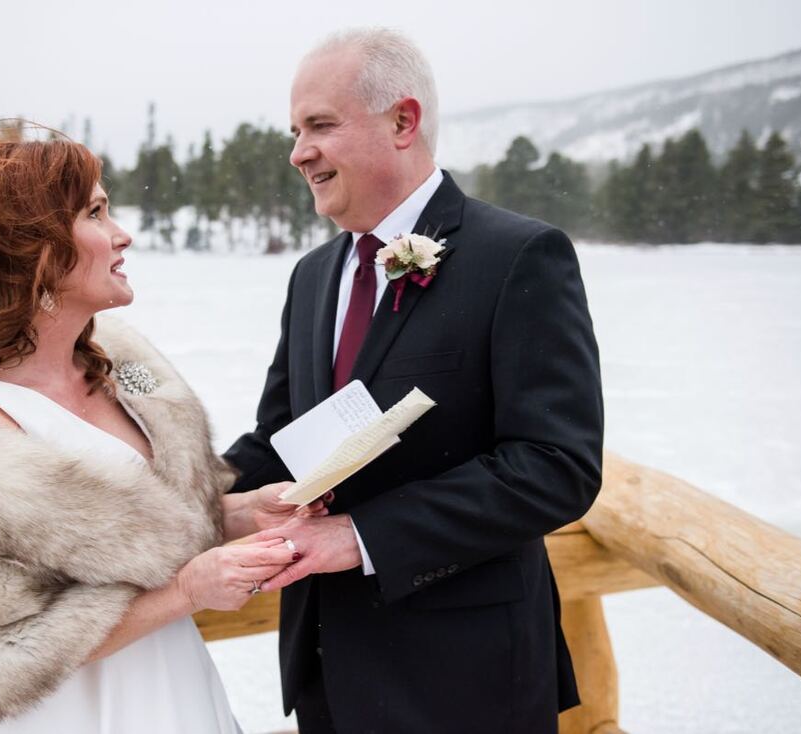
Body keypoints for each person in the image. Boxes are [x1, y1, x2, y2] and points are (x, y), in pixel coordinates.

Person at [0, 133, 318, 733]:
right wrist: (186, 591)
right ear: (30, 248)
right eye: (95, 214)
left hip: (168, 686)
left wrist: (244, 511)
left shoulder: (123, 379)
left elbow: (137, 532)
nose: (122, 235)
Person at [223, 28, 605, 734]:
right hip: (327, 670)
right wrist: (168, 499)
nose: (298, 152)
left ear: (403, 122)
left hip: (466, 679)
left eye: (320, 126)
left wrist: (360, 535)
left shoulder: (518, 256)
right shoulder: (313, 276)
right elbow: (280, 442)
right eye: (295, 131)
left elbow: (556, 466)